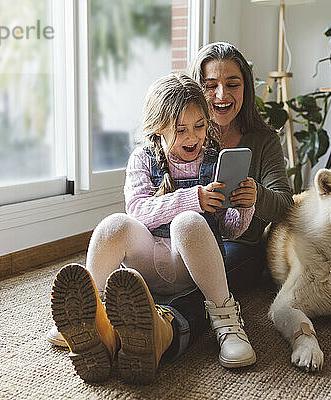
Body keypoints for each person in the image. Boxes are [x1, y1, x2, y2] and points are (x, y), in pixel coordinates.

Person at [48, 73, 257, 385]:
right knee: (115, 224)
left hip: (189, 269)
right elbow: (139, 211)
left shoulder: (214, 162)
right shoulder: (142, 159)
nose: (193, 137)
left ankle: (226, 320)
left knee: (188, 221)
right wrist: (193, 197)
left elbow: (230, 231)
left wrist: (243, 205)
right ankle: (89, 313)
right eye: (181, 129)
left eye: (200, 126)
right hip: (146, 264)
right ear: (158, 128)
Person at [152, 42, 294, 358]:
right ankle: (127, 310)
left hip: (238, 244)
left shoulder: (263, 140)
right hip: (181, 238)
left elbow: (285, 203)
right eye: (210, 85)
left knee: (214, 277)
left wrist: (256, 193)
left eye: (232, 84)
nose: (221, 95)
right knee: (157, 264)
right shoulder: (180, 136)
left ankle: (166, 327)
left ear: (246, 87)